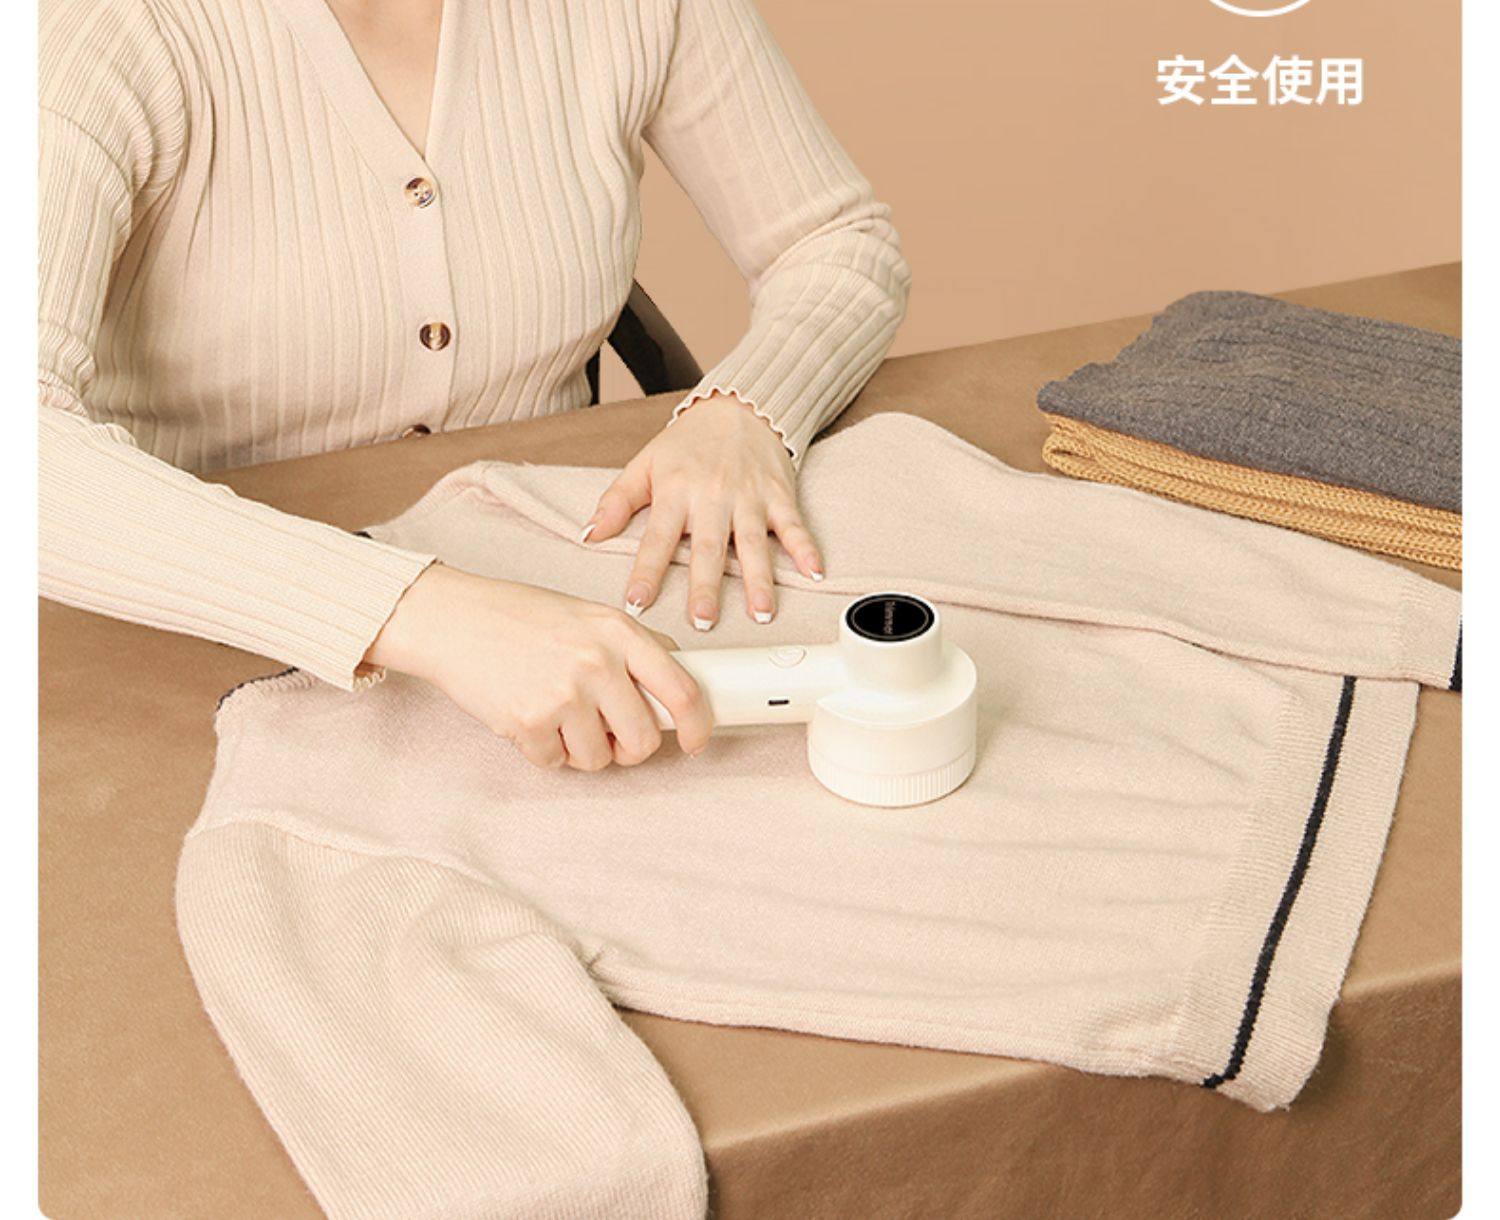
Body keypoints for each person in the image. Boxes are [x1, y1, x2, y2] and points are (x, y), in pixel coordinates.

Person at [38, 0, 910, 772]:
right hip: (198, 642)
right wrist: (428, 613)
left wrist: (743, 412)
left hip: (574, 598)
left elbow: (836, 241)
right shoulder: (102, 29)